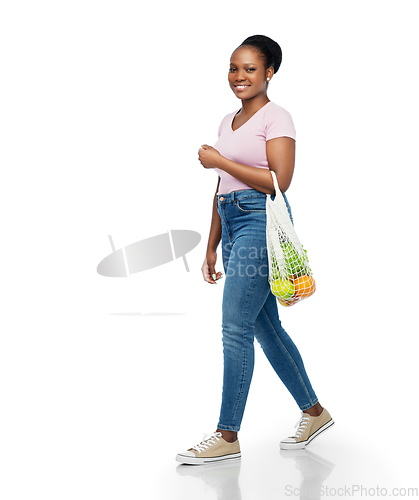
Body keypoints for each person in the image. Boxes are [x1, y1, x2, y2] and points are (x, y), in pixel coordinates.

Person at [176, 35, 334, 465]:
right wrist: (210, 245)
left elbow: (278, 182)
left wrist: (220, 161)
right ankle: (315, 412)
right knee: (265, 328)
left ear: (269, 73)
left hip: (260, 224)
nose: (239, 76)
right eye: (233, 68)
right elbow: (221, 187)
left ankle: (227, 434)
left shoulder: (277, 116)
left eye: (249, 69)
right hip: (231, 222)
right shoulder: (227, 121)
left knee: (235, 327)